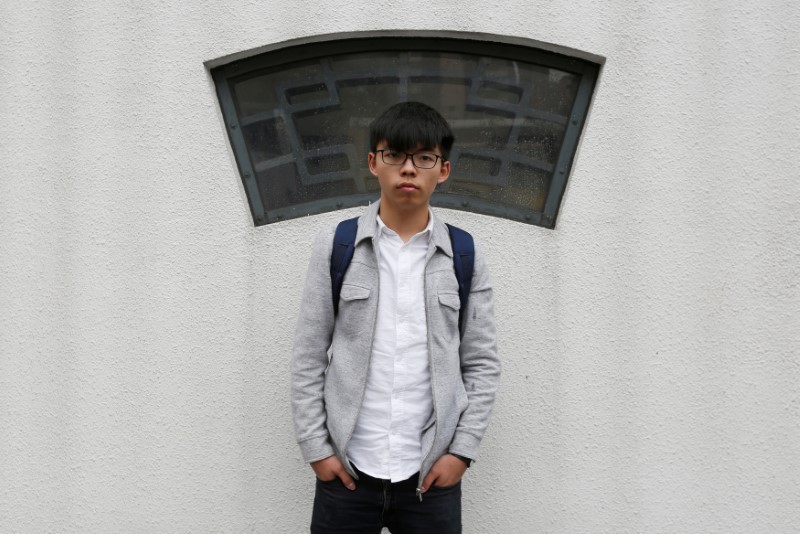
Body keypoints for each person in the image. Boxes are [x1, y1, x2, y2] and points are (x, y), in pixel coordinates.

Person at [291, 101, 500, 533]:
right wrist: (317, 449)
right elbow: (309, 354)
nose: (409, 169)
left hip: (429, 476)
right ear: (373, 163)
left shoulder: (464, 254)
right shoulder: (338, 245)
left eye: (424, 158)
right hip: (348, 470)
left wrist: (460, 452)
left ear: (443, 170)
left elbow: (481, 363)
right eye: (395, 155)